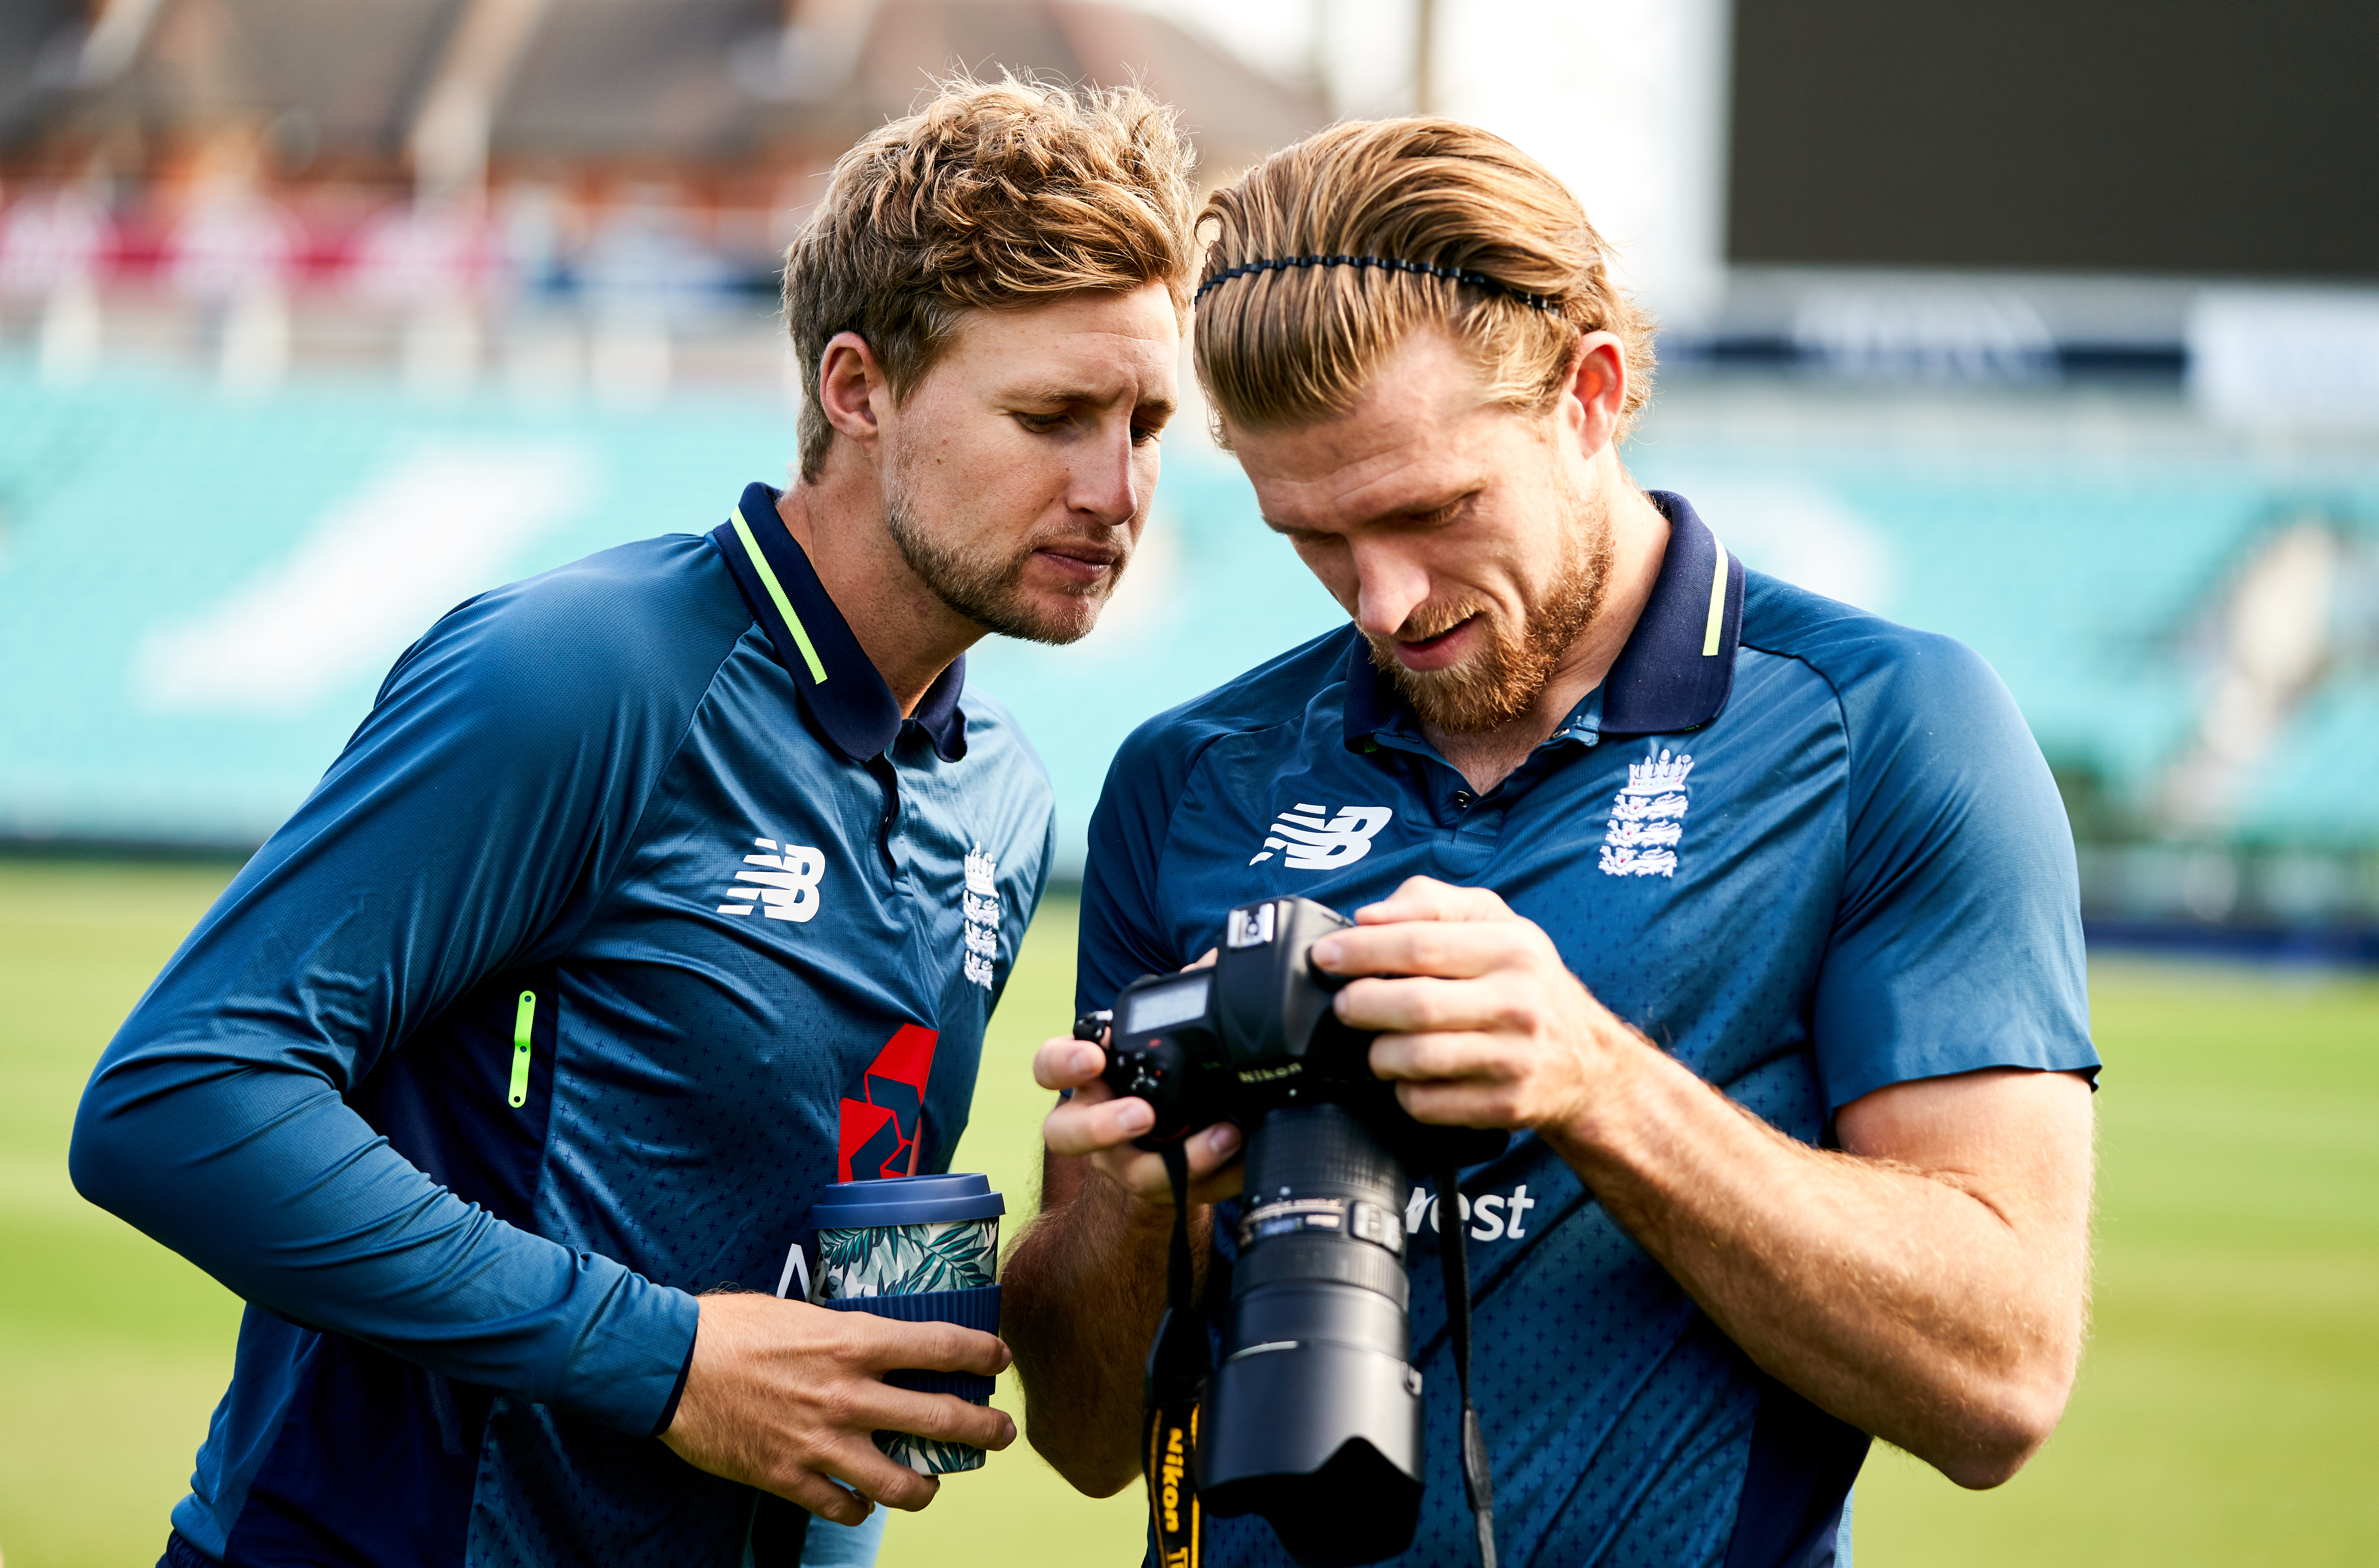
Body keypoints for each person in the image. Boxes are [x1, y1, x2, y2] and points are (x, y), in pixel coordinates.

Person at [70, 76, 1195, 1568]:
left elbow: (819, 1320)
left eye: (1146, 421)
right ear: (857, 390)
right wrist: (664, 1360)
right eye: (1052, 415)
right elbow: (174, 1099)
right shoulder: (583, 675)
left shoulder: (1005, 796)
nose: (1118, 490)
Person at [1004, 118, 2099, 1568]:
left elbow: (2000, 1381)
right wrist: (1134, 1210)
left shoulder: (1885, 729)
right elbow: (1087, 1441)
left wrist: (1594, 1081)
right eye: (1313, 538)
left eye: (1431, 510)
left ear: (1592, 391)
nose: (1381, 600)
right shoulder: (1188, 777)